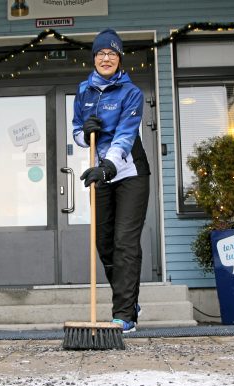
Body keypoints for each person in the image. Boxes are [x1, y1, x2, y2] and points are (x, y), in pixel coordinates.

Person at [72, 29, 151, 333]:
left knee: (125, 243)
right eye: (101, 53)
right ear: (94, 58)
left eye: (112, 54)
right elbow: (77, 132)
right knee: (104, 244)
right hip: (100, 172)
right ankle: (129, 300)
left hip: (130, 172)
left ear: (119, 59)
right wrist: (84, 132)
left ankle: (124, 313)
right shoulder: (83, 92)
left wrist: (107, 168)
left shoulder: (131, 93)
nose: (106, 58)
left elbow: (125, 135)